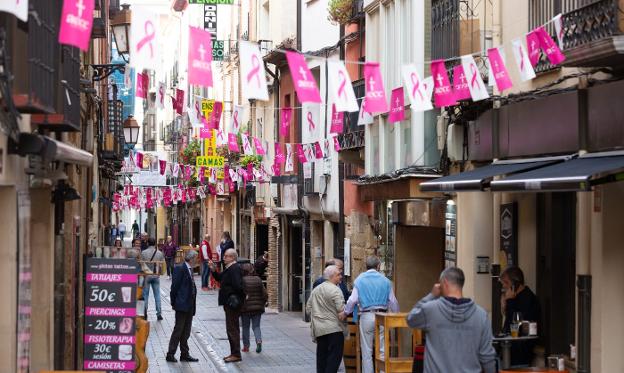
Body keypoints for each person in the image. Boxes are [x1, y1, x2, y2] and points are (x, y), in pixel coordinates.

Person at [406, 267, 497, 373]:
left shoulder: (431, 310)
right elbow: (487, 357)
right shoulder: (481, 315)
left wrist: (431, 295)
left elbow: (410, 319)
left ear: (444, 283)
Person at [343, 256, 399, 373]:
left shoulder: (359, 280)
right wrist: (396, 315)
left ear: (366, 266)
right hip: (382, 316)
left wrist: (346, 312)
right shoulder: (386, 281)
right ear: (378, 266)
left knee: (367, 350)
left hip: (366, 316)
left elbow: (352, 300)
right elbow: (393, 301)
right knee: (382, 349)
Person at [307, 265, 347, 373]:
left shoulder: (316, 290)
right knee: (334, 359)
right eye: (338, 274)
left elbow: (308, 308)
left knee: (322, 359)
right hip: (334, 329)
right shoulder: (336, 290)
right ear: (332, 276)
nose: (341, 277)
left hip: (320, 330)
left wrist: (317, 316)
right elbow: (341, 311)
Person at [500, 266, 540, 366]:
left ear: (515, 284)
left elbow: (514, 324)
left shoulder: (527, 299)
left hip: (521, 352)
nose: (504, 286)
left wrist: (509, 302)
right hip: (510, 350)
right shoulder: (515, 297)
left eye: (506, 283)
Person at [210, 248, 244, 363]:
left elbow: (238, 286)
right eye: (224, 256)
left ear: (232, 257)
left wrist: (236, 297)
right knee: (231, 328)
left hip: (232, 303)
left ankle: (236, 354)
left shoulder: (234, 269)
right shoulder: (229, 268)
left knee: (232, 329)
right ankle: (233, 353)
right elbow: (220, 279)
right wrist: (214, 270)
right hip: (229, 303)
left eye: (226, 256)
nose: (224, 258)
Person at [166, 250, 200, 363]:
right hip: (182, 304)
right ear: (191, 259)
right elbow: (174, 287)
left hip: (190, 305)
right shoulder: (180, 268)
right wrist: (174, 302)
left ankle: (184, 354)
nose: (197, 260)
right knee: (178, 329)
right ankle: (170, 354)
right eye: (196, 258)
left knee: (186, 331)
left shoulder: (190, 269)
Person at [240, 263, 267, 353]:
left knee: (245, 327)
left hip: (245, 309)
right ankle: (258, 341)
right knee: (256, 326)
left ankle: (246, 347)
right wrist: (262, 303)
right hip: (257, 309)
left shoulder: (242, 280)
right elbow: (265, 294)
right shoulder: (258, 279)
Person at [141, 238, 165, 321]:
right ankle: (159, 314)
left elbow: (142, 264)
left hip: (147, 275)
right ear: (155, 244)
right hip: (155, 275)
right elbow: (162, 265)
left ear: (147, 243)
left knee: (145, 295)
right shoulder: (160, 253)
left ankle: (144, 313)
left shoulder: (143, 253)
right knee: (157, 295)